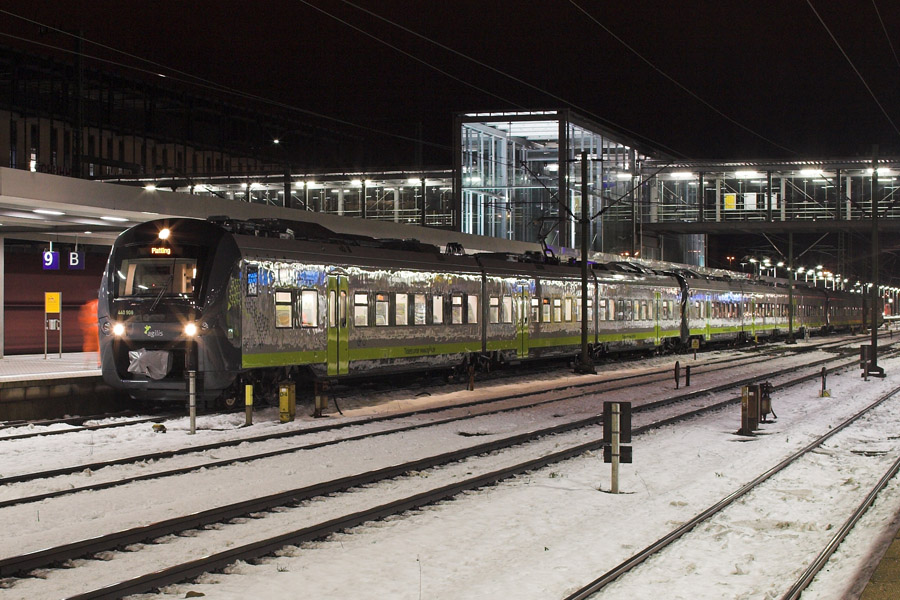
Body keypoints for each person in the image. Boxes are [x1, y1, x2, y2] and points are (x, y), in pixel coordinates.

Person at [79, 298, 100, 367]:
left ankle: (86, 361)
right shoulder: (100, 304)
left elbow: (83, 317)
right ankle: (99, 363)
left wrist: (85, 328)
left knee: (88, 346)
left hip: (90, 328)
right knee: (99, 346)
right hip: (98, 328)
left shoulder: (88, 305)